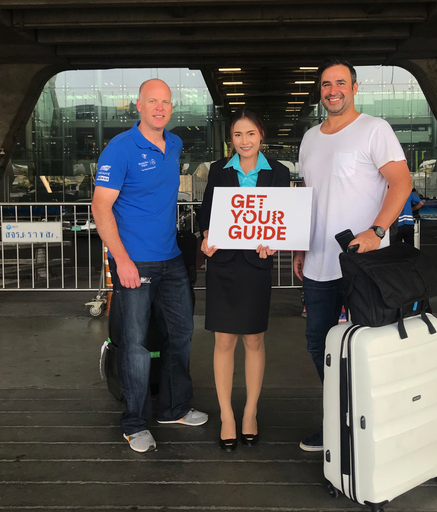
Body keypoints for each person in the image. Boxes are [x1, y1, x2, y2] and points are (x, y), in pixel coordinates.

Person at [292, 58, 413, 452]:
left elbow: (402, 182)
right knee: (319, 346)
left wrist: (378, 231)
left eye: (340, 83)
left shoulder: (374, 130)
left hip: (364, 263)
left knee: (371, 345)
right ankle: (341, 420)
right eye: (326, 84)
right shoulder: (310, 138)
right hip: (318, 262)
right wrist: (299, 244)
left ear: (355, 88)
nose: (332, 90)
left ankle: (374, 425)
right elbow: (310, 197)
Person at [91, 79, 208, 453]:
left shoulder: (174, 144)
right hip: (134, 261)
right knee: (136, 346)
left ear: (171, 108)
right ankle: (134, 423)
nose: (160, 108)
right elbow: (100, 208)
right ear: (138, 105)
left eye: (166, 102)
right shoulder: (120, 149)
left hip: (171, 258)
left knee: (181, 334)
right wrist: (120, 261)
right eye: (152, 101)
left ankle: (172, 408)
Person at [198, 110, 291, 452]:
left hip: (256, 265)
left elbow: (282, 218)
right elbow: (207, 213)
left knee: (253, 340)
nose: (245, 141)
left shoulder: (278, 172)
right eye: (238, 135)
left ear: (261, 135)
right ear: (231, 139)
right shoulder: (219, 171)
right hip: (223, 264)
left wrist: (275, 241)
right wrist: (206, 235)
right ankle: (227, 415)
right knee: (224, 341)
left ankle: (250, 411)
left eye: (250, 133)